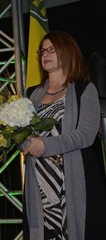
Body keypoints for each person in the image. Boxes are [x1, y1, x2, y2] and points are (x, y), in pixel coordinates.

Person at [22, 31, 106, 240]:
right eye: (42, 50)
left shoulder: (84, 89)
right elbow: (22, 133)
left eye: (52, 49)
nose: (45, 54)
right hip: (40, 182)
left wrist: (47, 147)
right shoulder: (33, 94)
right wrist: (23, 143)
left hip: (74, 177)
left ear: (67, 51)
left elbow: (86, 135)